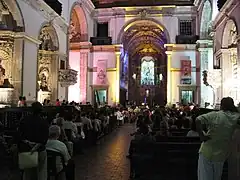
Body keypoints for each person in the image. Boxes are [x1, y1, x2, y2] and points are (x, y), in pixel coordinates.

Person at [196, 97, 240, 180]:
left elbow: (198, 120)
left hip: (207, 151)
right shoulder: (235, 117)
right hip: (221, 153)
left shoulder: (215, 115)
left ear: (222, 105)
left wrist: (202, 135)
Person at [17, 102, 49, 180]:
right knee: (41, 172)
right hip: (40, 150)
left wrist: (29, 143)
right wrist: (36, 146)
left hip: (26, 149)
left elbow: (19, 135)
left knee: (28, 173)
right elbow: (45, 138)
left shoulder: (24, 120)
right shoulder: (44, 122)